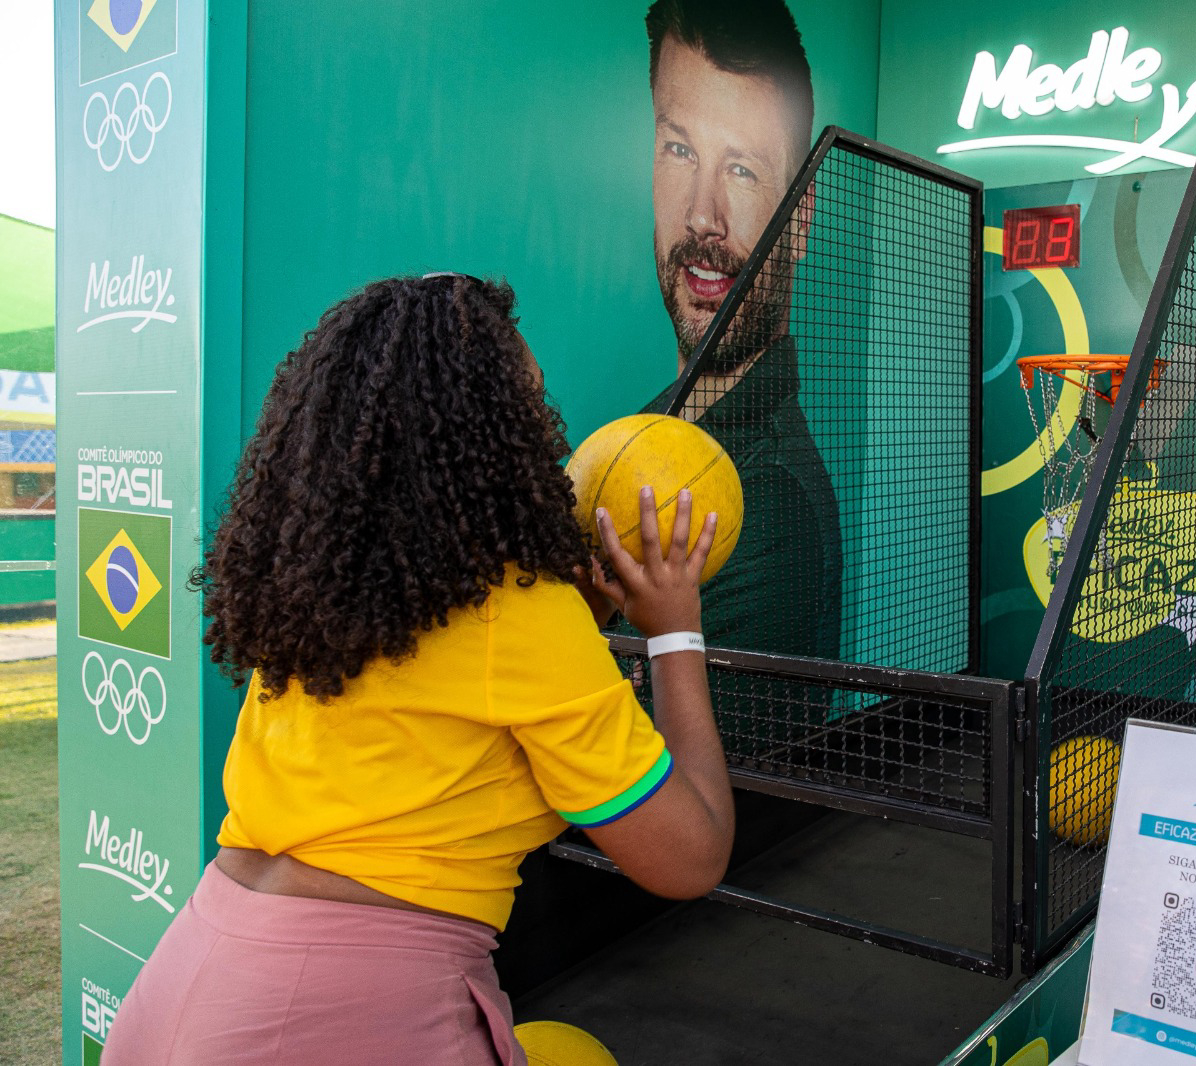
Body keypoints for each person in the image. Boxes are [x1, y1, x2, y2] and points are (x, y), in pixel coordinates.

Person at [101, 274, 734, 1065]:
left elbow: (462, 709)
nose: (550, 436)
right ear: (486, 436)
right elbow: (693, 857)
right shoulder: (520, 615)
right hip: (328, 1015)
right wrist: (677, 631)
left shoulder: (326, 593)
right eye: (531, 408)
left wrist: (589, 612)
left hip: (189, 980)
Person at [642, 0, 841, 660]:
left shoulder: (770, 508)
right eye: (679, 149)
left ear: (801, 218)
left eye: (742, 169)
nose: (702, 217)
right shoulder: (652, 430)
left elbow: (689, 770)